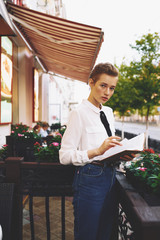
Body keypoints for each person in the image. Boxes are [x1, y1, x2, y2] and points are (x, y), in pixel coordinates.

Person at [59, 63, 134, 240]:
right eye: (103, 85)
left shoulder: (108, 112)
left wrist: (124, 153)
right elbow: (64, 155)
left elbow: (109, 147)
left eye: (112, 88)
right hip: (90, 178)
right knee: (88, 233)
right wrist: (96, 151)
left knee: (106, 233)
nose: (107, 92)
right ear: (91, 83)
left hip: (111, 176)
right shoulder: (78, 113)